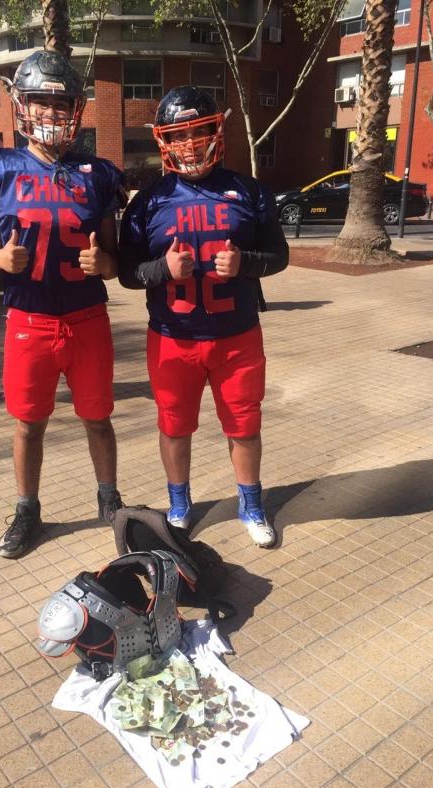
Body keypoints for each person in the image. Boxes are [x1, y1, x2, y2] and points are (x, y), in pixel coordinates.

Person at [0, 50, 124, 559]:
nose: (51, 113)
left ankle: (109, 499)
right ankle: (27, 509)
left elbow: (114, 261)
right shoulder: (0, 169)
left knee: (98, 418)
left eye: (61, 104)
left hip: (87, 317)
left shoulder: (98, 173)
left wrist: (106, 263)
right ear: (23, 106)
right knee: (29, 424)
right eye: (41, 103)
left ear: (75, 109)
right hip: (29, 320)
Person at [119, 86, 288, 547]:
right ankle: (179, 504)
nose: (190, 143)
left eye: (198, 131)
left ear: (217, 131)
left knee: (244, 426)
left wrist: (246, 263)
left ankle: (251, 503)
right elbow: (127, 273)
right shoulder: (147, 202)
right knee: (174, 426)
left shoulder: (249, 191)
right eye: (179, 134)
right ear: (163, 140)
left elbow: (279, 255)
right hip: (173, 336)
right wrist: (162, 270)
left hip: (237, 335)